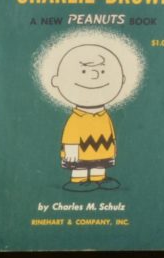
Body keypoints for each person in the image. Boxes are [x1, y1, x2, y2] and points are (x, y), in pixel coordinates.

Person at [51, 44, 125, 191]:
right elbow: (70, 135)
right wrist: (71, 151)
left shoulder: (104, 116)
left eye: (102, 71)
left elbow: (110, 133)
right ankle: (78, 180)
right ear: (57, 81)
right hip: (80, 152)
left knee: (100, 164)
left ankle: (99, 178)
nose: (94, 75)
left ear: (121, 80)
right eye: (84, 71)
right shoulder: (76, 118)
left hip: (103, 150)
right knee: (81, 166)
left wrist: (113, 148)